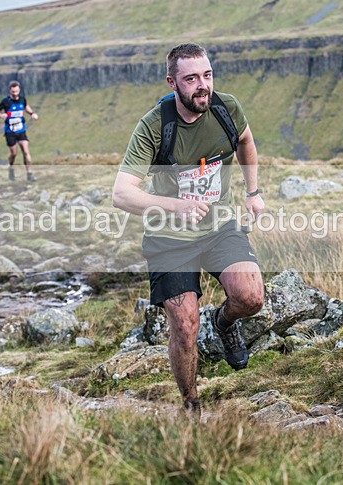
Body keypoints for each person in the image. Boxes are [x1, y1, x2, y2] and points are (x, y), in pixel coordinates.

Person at [112, 43, 266, 416]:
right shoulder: (154, 125)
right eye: (192, 78)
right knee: (184, 327)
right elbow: (121, 194)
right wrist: (176, 206)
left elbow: (245, 141)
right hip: (169, 239)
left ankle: (224, 323)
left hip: (219, 227)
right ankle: (191, 405)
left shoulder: (227, 109)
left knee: (251, 298)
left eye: (208, 75)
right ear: (172, 82)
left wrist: (253, 191)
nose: (203, 86)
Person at [0, 80, 39, 182]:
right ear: (10, 91)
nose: (15, 94)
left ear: (19, 90)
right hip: (10, 132)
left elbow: (26, 106)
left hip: (21, 130)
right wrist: (1, 115)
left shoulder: (22, 99)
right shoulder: (6, 102)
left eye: (16, 91)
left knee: (26, 151)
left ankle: (29, 173)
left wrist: (32, 113)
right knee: (14, 154)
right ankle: (11, 168)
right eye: (13, 92)